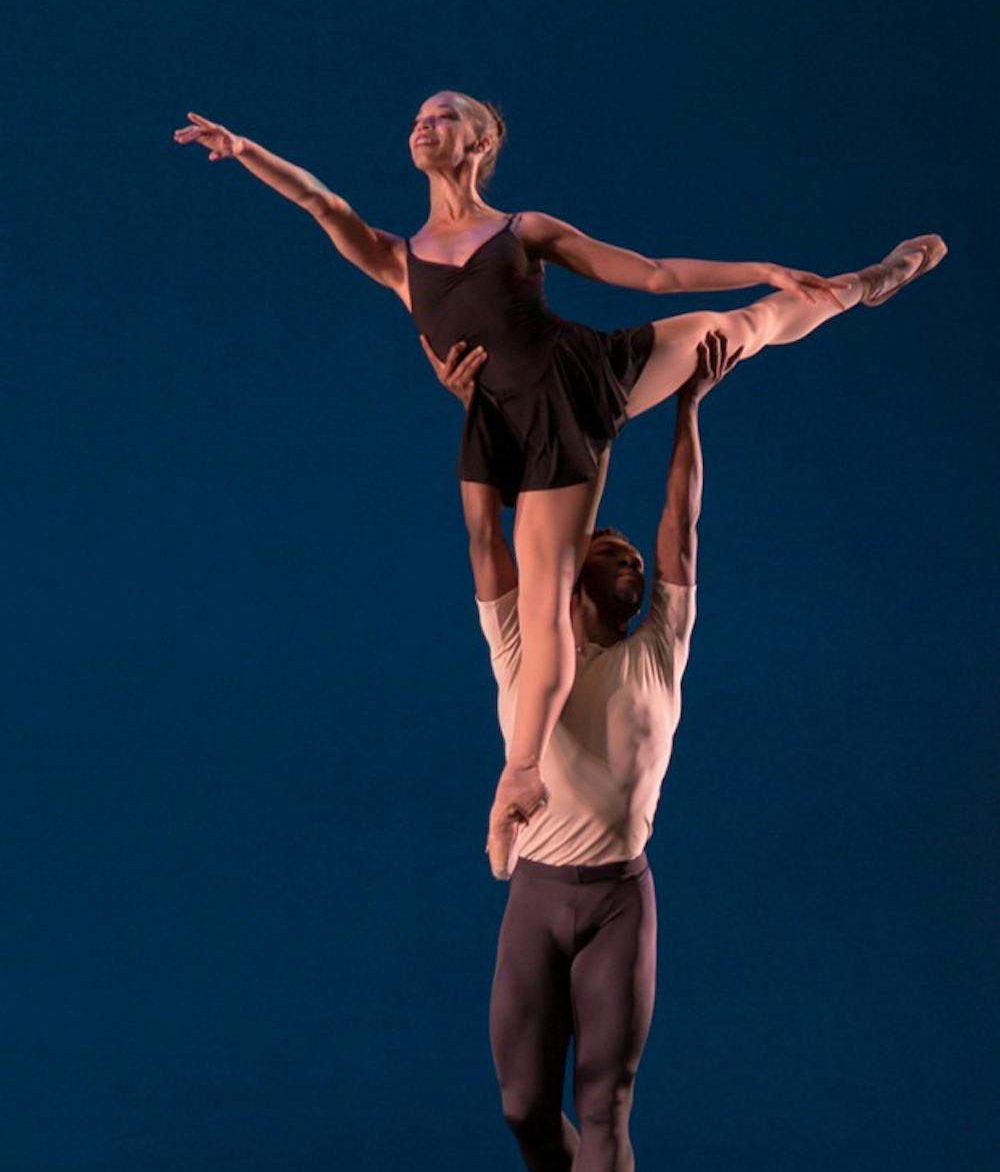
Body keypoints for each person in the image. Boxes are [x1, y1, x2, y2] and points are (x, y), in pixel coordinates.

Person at [173, 92, 946, 878]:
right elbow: (321, 201)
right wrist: (246, 151)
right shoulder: (396, 259)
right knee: (541, 601)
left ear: (480, 140)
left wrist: (765, 268)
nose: (421, 121)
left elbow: (651, 274)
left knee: (735, 327)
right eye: (416, 114)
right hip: (528, 426)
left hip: (584, 371)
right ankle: (521, 770)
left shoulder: (522, 231)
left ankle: (861, 284)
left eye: (442, 114)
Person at [424, 321, 737, 1172]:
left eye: (633, 560)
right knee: (524, 1105)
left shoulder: (662, 647)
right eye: (609, 550)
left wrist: (688, 413)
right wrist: (476, 413)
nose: (630, 555)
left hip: (615, 898)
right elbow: (485, 538)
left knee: (605, 1102)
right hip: (538, 896)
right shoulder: (524, 637)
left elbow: (682, 527)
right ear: (579, 582)